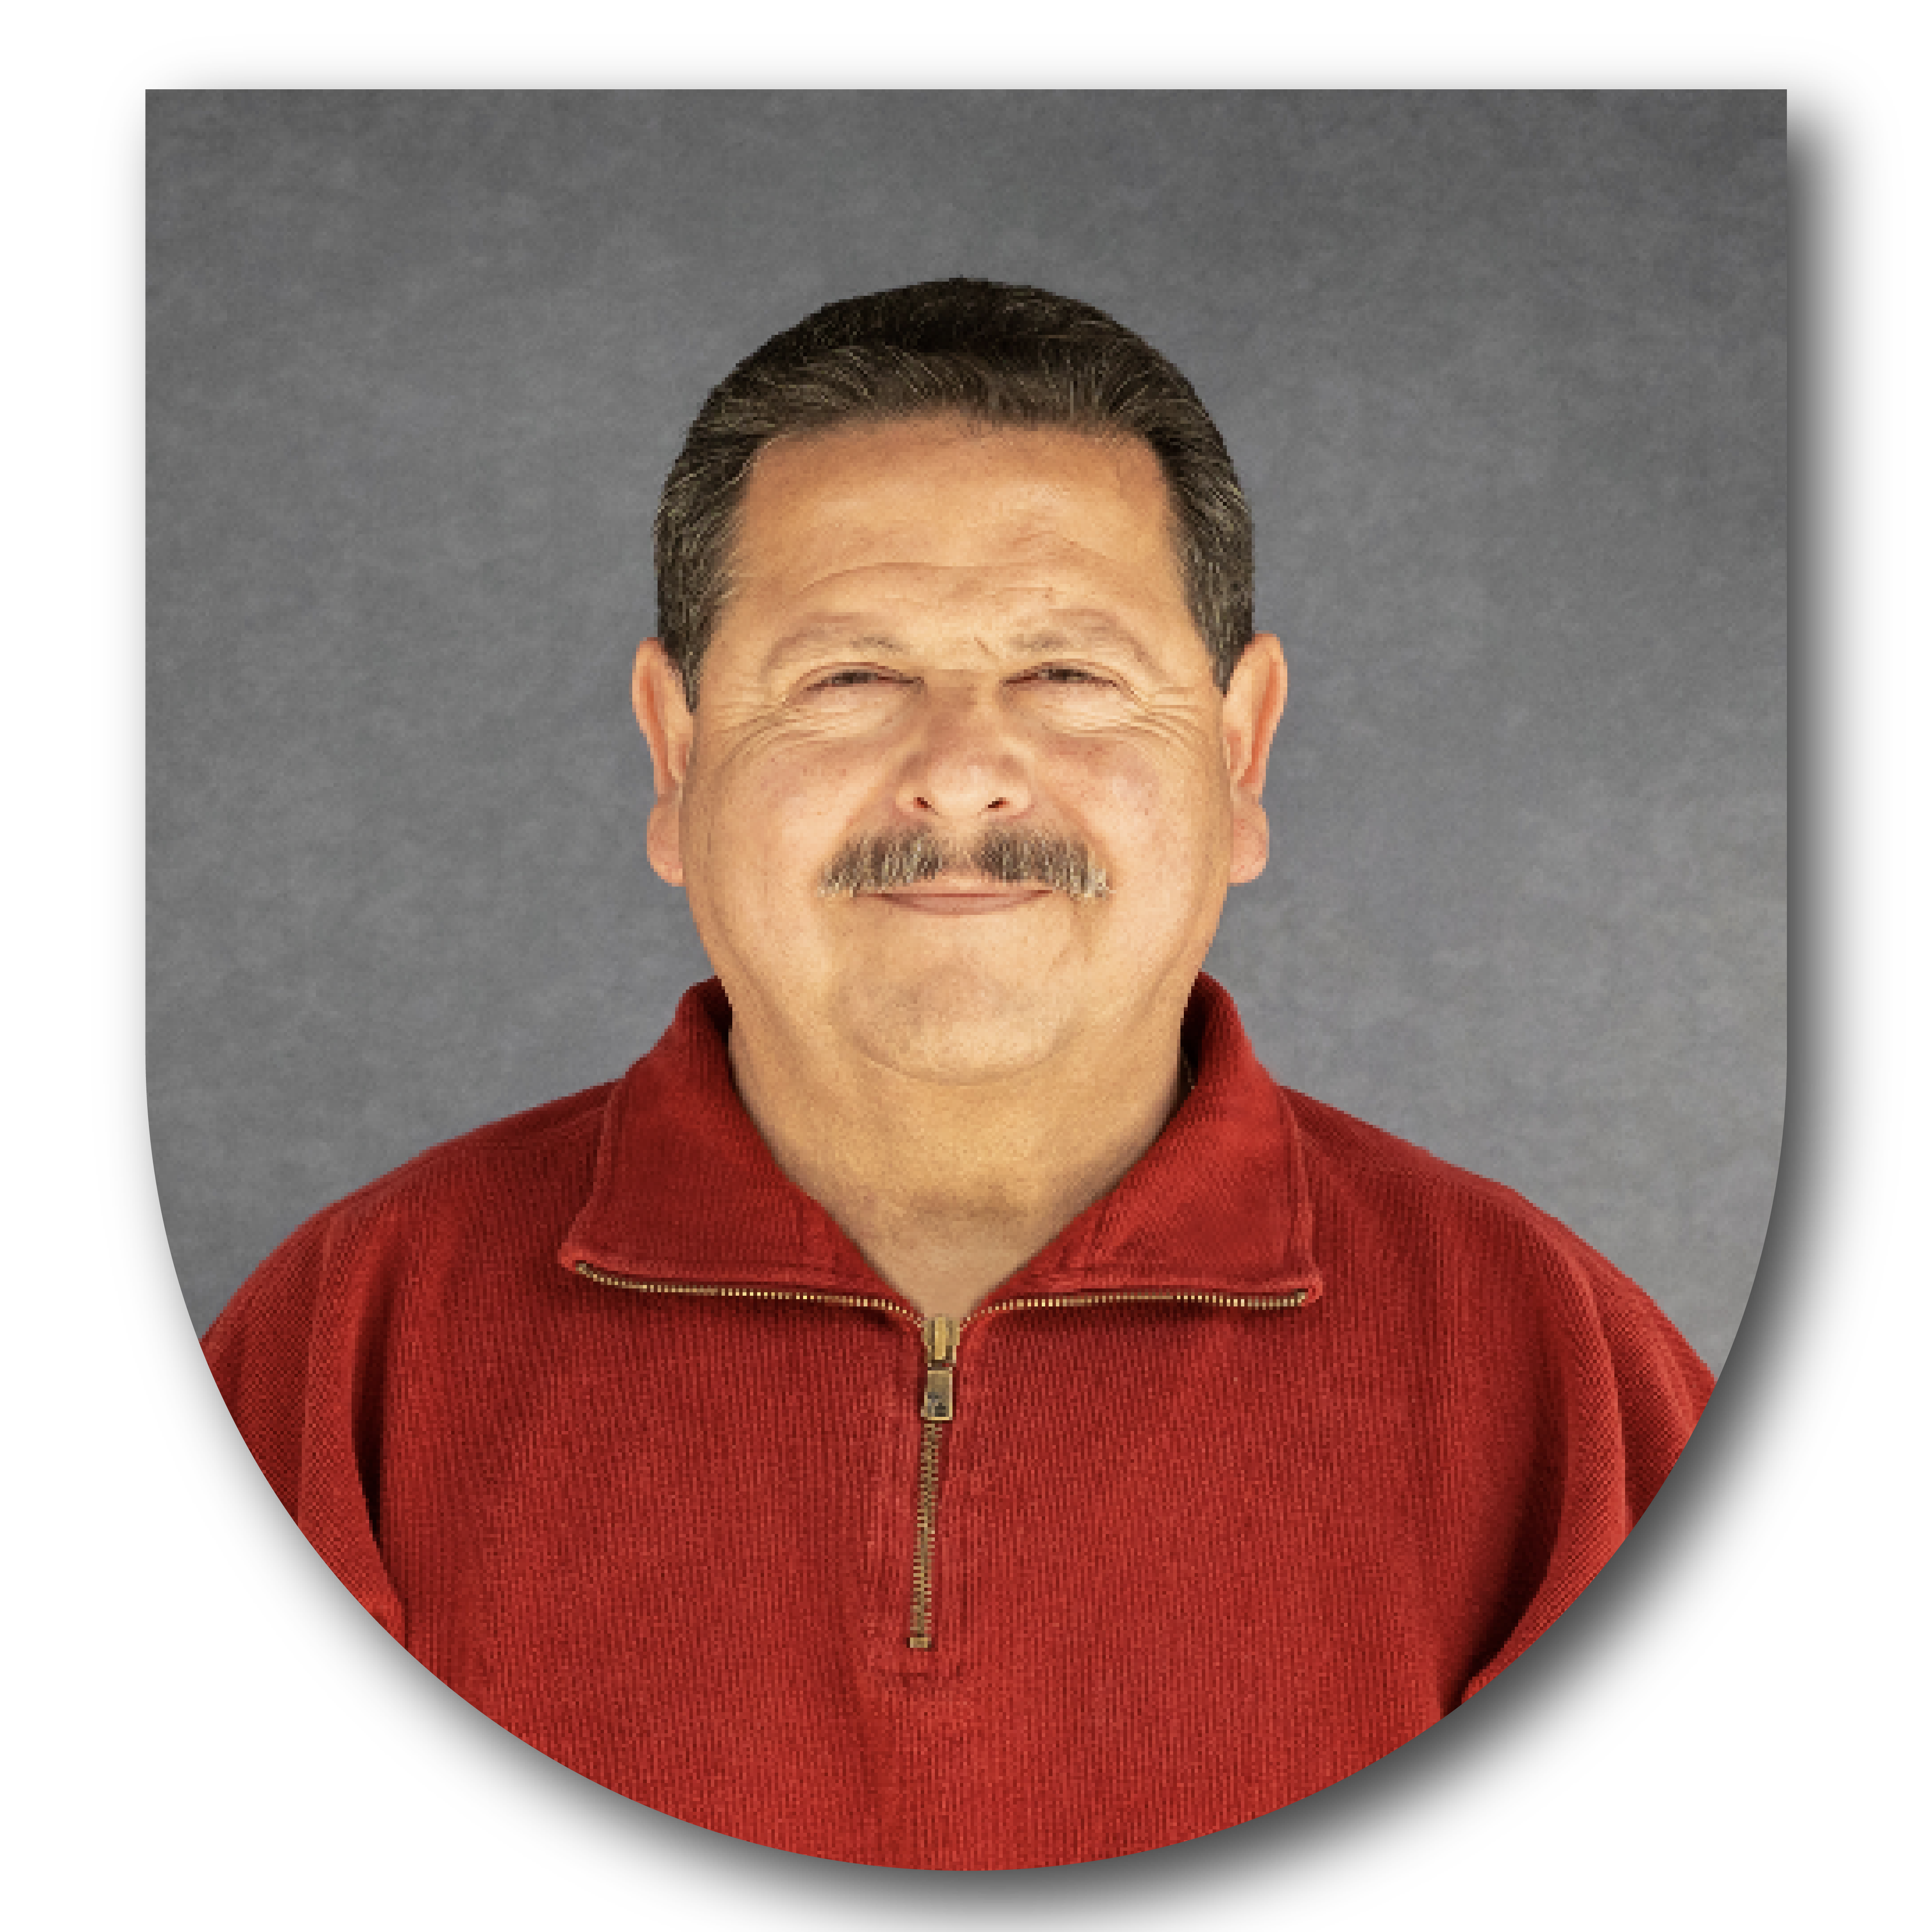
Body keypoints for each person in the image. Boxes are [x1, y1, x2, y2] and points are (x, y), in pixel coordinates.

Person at [203, 278, 1713, 1871]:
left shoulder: (1556, 1370)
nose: (964, 771)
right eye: (849, 677)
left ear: (1239, 752)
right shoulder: (347, 1349)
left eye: (1067, 675)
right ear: (676, 751)